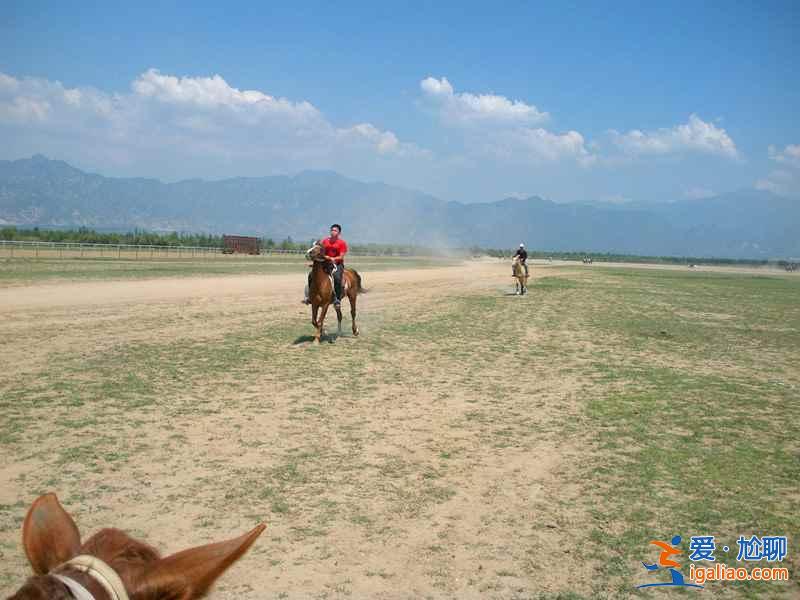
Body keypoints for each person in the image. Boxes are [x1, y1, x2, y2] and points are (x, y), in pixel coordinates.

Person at [303, 224, 349, 305]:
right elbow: (320, 253)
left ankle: (337, 299)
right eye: (332, 230)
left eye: (335, 230)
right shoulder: (325, 241)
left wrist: (332, 258)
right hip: (325, 263)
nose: (333, 232)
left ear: (339, 233)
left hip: (337, 264)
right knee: (311, 275)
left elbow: (341, 257)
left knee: (337, 278)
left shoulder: (342, 243)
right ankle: (310, 296)